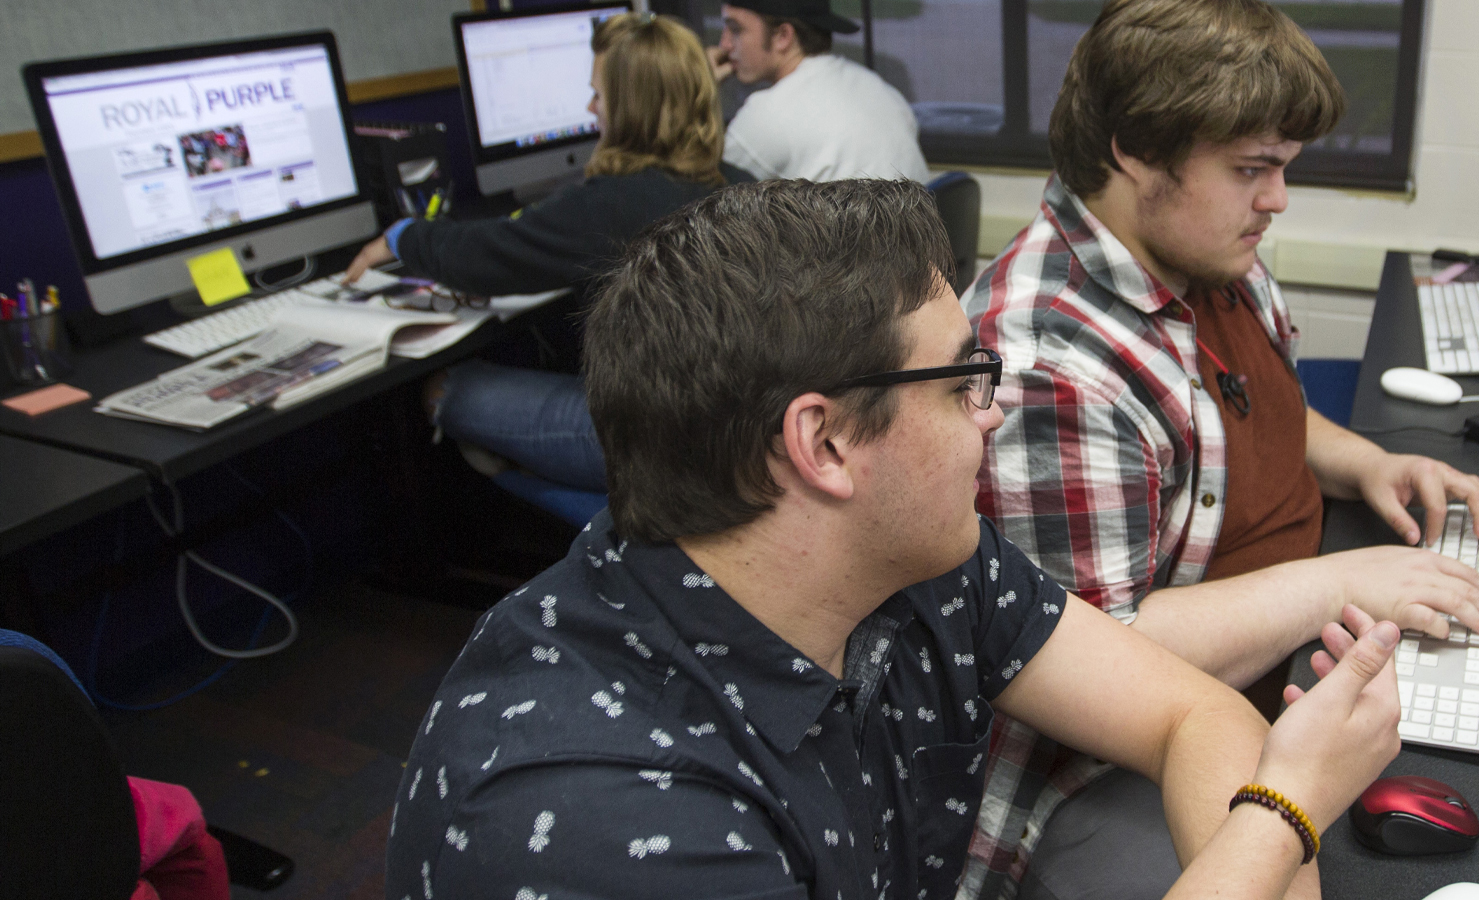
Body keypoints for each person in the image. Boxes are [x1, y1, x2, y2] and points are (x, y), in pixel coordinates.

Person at [381, 179, 1403, 900]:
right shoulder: (598, 818)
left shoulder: (912, 555)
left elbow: (1189, 712)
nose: (993, 409)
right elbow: (1243, 776)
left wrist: (1271, 828)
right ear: (822, 443)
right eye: (964, 379)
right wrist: (1280, 813)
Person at [959, 2, 1479, 897]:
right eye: (1252, 169)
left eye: (1283, 167)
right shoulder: (1048, 362)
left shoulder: (1208, 250)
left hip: (1268, 667)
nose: (1277, 200)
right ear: (1134, 150)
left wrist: (1362, 461)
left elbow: (1249, 406)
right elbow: (1092, 650)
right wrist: (1337, 583)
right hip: (1107, 774)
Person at [339, 13, 724, 494]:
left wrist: (401, 236)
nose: (590, 108)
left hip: (659, 447)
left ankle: (541, 501)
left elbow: (484, 258)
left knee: (444, 389)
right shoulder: (740, 183)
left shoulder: (605, 205)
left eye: (600, 95)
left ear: (630, 111)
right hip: (736, 436)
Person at [710, 0, 930, 182]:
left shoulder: (768, 114)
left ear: (782, 37)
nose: (725, 45)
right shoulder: (878, 88)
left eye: (736, 29)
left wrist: (701, 86)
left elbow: (704, 194)